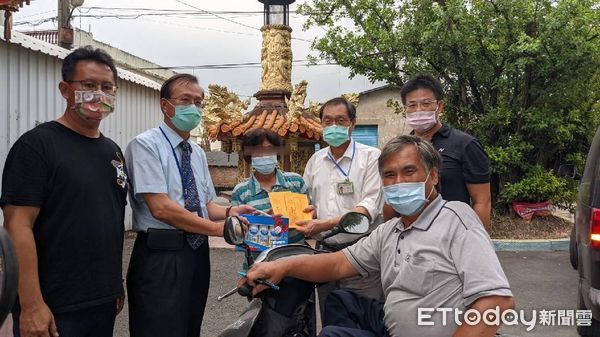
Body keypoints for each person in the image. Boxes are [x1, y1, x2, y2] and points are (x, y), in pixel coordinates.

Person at [245, 135, 514, 337]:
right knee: (341, 301)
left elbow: (497, 302)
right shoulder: (391, 229)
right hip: (391, 325)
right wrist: (282, 266)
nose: (398, 182)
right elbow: (338, 264)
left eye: (409, 172)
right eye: (389, 175)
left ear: (432, 176)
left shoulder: (457, 219)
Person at [1, 46, 126, 337]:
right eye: (88, 85)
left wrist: (114, 285)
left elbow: (110, 219)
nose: (99, 94)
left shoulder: (112, 152)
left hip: (101, 302)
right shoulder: (37, 146)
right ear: (65, 89)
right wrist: (31, 304)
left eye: (107, 87)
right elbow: (17, 225)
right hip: (53, 307)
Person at [125, 73, 254, 337]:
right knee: (158, 328)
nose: (194, 107)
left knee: (188, 324)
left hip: (195, 253)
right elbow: (161, 208)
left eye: (199, 102)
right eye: (185, 100)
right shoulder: (145, 145)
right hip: (160, 253)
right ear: (165, 105)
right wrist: (220, 230)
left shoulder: (195, 152)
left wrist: (232, 211)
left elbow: (205, 205)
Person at [298, 97, 384, 309]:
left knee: (364, 316)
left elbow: (367, 209)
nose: (333, 126)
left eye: (340, 120)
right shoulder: (315, 161)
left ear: (352, 123)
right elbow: (307, 201)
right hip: (324, 250)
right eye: (327, 121)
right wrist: (309, 213)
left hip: (362, 249)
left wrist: (325, 224)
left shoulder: (372, 158)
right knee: (330, 314)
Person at [384, 75, 492, 229]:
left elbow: (482, 201)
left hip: (452, 234)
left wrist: (478, 242)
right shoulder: (400, 149)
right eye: (412, 105)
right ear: (405, 109)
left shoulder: (465, 145)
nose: (418, 110)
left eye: (426, 103)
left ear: (439, 106)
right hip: (409, 235)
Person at [231, 127, 308, 247]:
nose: (264, 155)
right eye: (257, 151)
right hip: (259, 260)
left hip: (297, 255)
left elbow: (310, 216)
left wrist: (309, 214)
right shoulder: (241, 191)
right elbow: (236, 231)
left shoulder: (296, 181)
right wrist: (262, 222)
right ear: (249, 156)